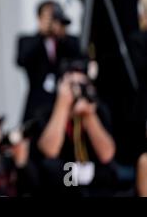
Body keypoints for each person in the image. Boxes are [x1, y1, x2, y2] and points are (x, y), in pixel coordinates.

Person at [59, 0, 147, 165]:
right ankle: (112, 166)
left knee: (135, 119)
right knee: (108, 116)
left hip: (133, 64)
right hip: (104, 66)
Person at [33, 64, 117, 196]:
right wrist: (62, 106)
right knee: (51, 168)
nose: (77, 90)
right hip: (63, 180)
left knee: (109, 171)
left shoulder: (99, 111)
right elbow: (50, 151)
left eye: (82, 85)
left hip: (93, 180)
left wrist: (89, 116)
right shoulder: (46, 112)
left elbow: (107, 154)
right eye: (72, 85)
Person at [16, 0, 80, 123]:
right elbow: (22, 60)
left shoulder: (69, 41)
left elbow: (79, 57)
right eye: (48, 17)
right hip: (38, 105)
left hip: (67, 101)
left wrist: (62, 36)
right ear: (39, 18)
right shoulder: (27, 40)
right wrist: (42, 34)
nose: (52, 21)